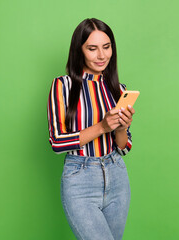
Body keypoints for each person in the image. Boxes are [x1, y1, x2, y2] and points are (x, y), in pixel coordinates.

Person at [47, 18, 135, 240]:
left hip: (116, 176)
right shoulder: (63, 85)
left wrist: (121, 128)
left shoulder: (118, 89)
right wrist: (102, 126)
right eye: (92, 48)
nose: (102, 55)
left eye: (106, 47)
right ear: (80, 50)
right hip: (80, 179)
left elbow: (124, 147)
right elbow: (57, 143)